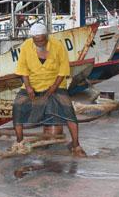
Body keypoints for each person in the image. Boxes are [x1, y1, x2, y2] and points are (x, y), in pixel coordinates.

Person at [12, 23, 86, 158]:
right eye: (36, 40)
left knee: (68, 109)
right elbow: (22, 70)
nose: (39, 43)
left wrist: (52, 89)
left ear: (46, 37)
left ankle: (76, 145)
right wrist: (28, 87)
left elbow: (63, 71)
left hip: (55, 85)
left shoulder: (57, 45)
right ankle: (19, 142)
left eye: (41, 40)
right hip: (33, 84)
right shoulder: (26, 46)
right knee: (18, 105)